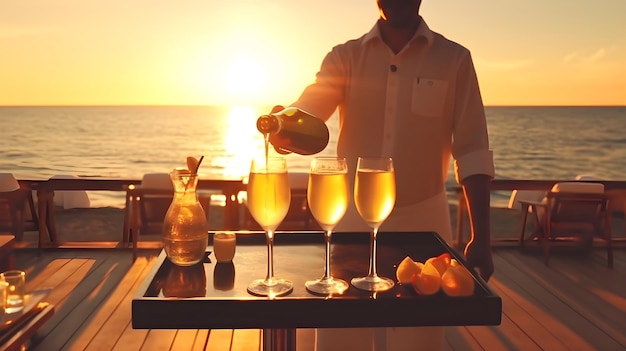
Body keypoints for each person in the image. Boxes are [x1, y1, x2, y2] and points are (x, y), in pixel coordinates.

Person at [273, 0, 495, 349]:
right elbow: (309, 111)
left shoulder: (455, 59)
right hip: (351, 222)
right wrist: (284, 126)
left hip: (426, 223)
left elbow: (473, 149)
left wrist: (482, 237)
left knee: (420, 339)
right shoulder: (345, 57)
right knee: (340, 335)